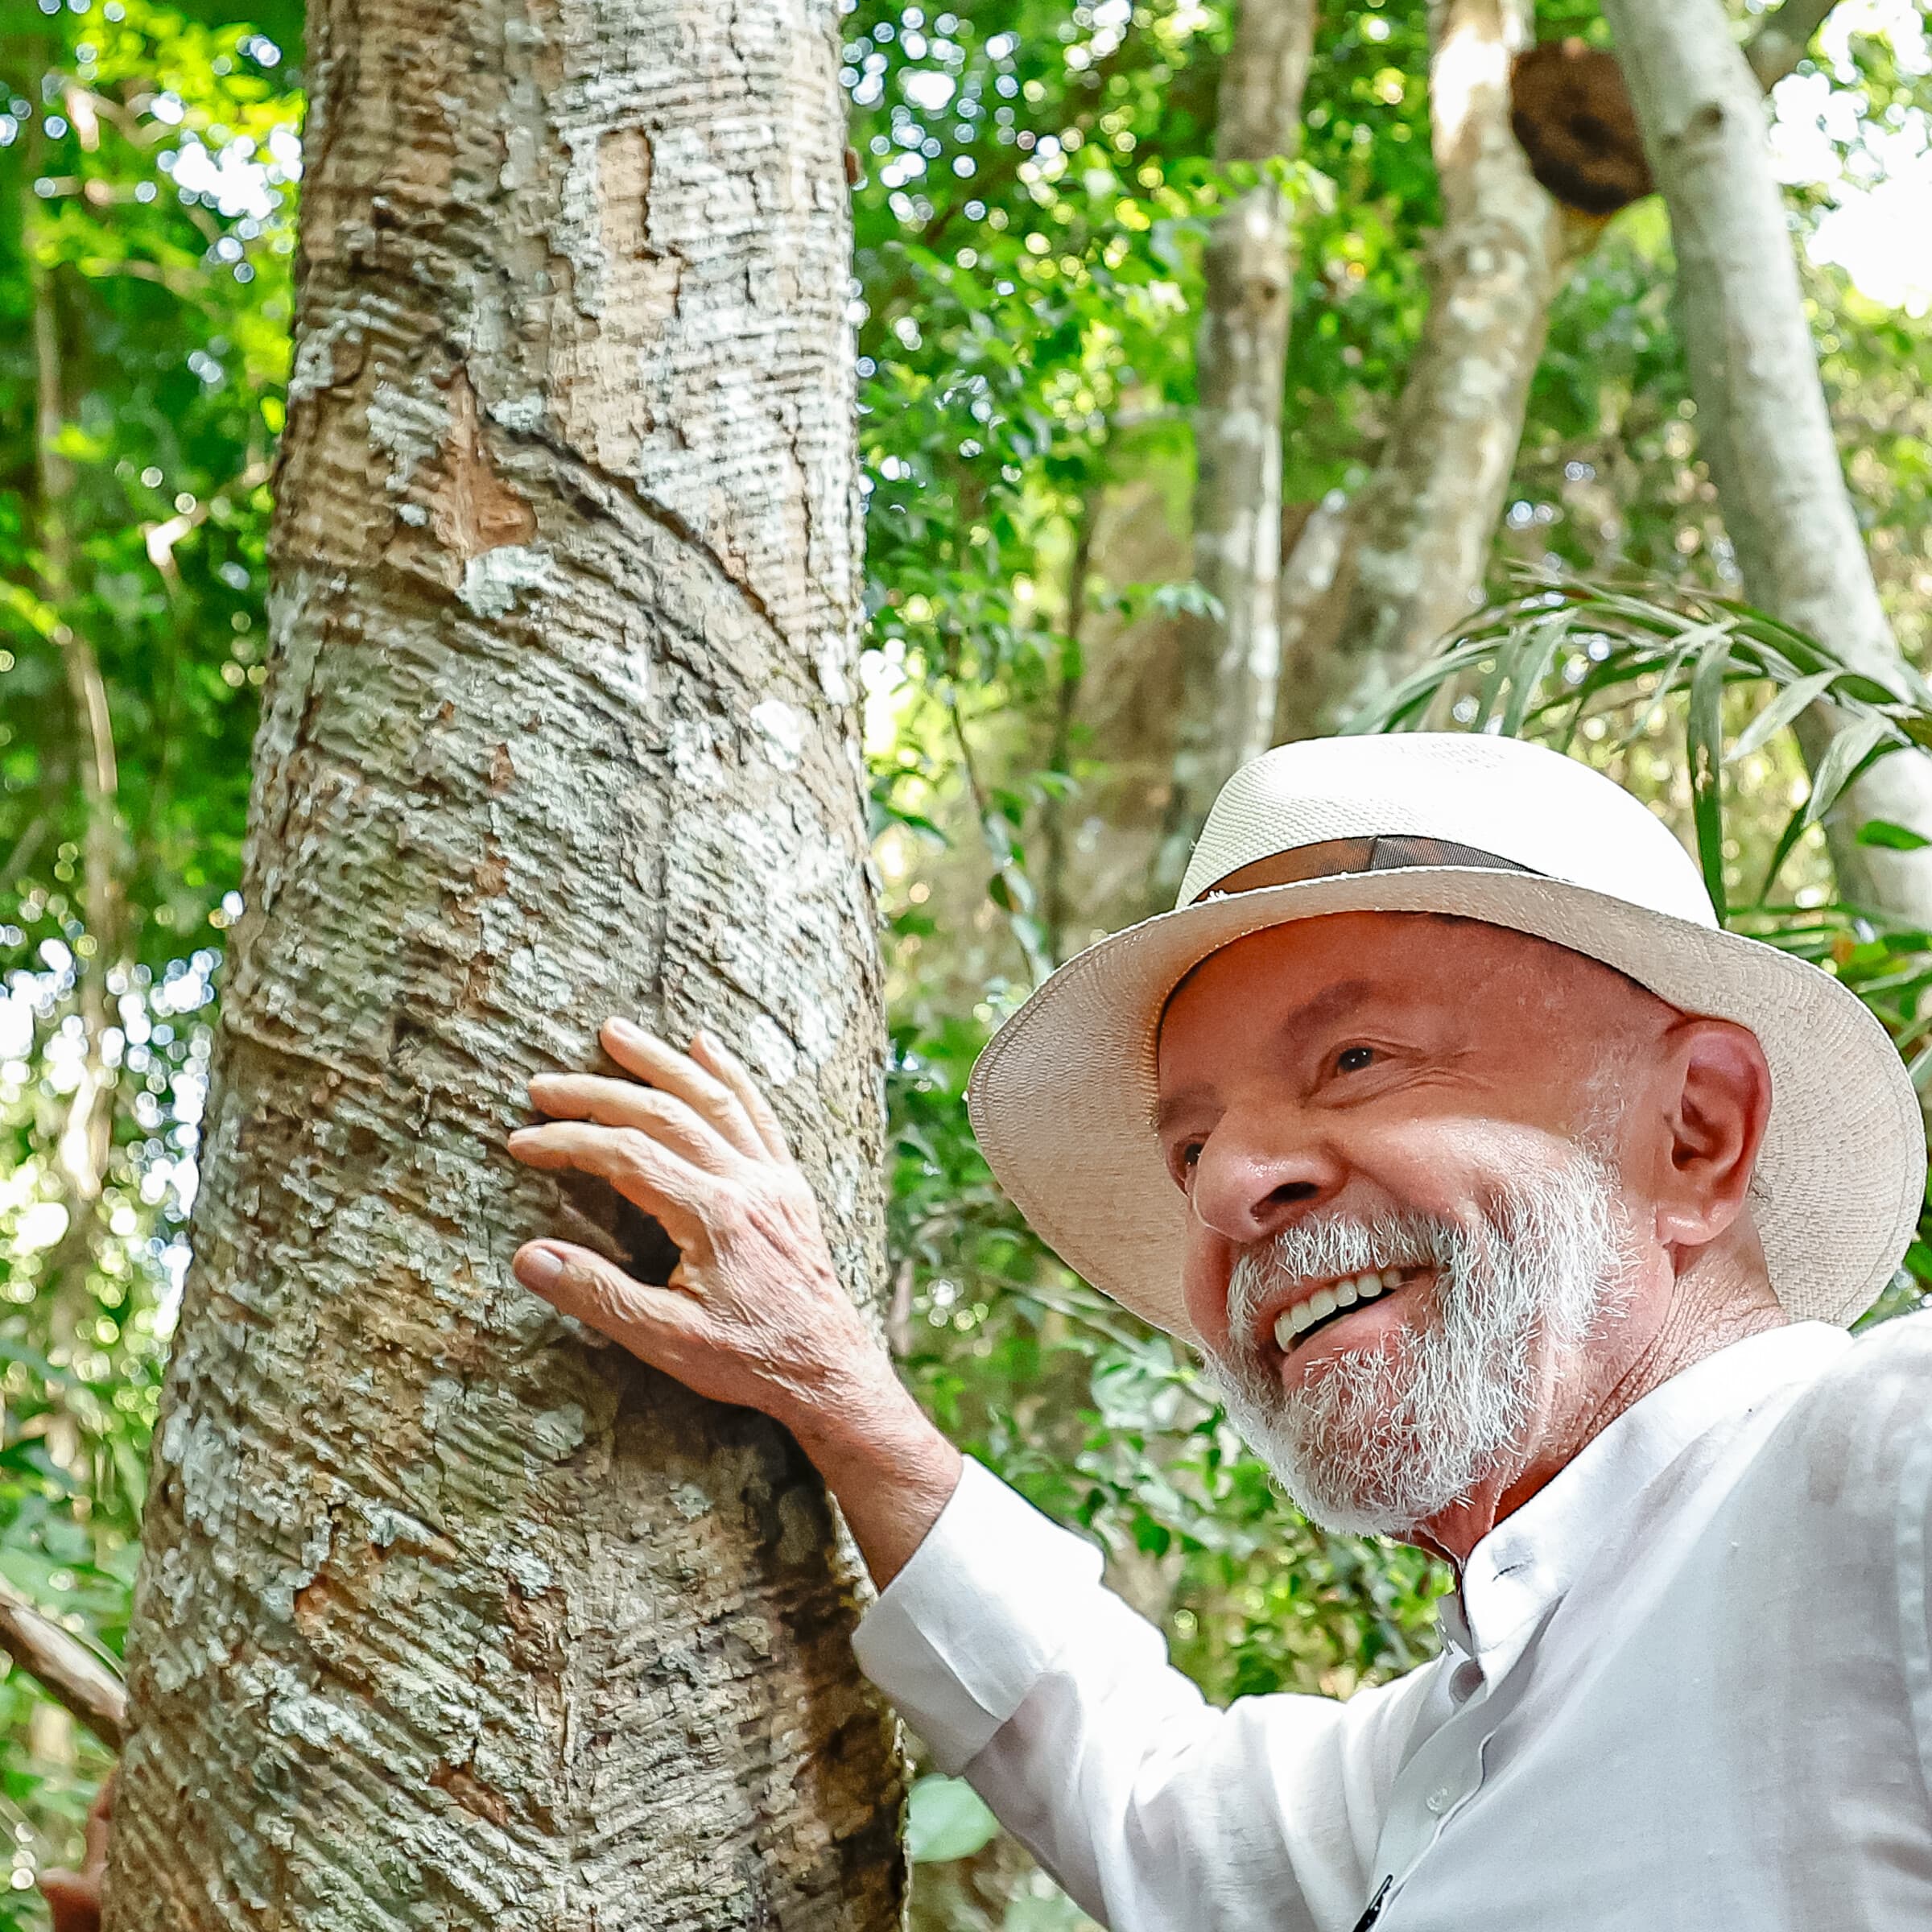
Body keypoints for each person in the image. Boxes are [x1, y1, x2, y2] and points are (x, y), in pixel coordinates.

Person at [465, 733, 1932, 1924]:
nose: (1231, 1188)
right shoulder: (1442, 1758)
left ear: (1695, 1134)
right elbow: (1147, 1797)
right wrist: (848, 1407)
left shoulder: (1879, 1466)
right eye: (1188, 1150)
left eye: (1357, 1059)